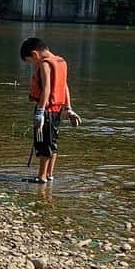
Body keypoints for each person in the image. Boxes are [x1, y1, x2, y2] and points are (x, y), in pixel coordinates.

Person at [20, 36, 81, 184]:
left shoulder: (45, 64)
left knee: (43, 144)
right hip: (57, 110)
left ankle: (41, 177)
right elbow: (64, 86)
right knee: (52, 143)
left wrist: (40, 113)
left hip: (46, 111)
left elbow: (46, 90)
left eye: (31, 62)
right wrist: (68, 108)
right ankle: (49, 174)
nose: (33, 65)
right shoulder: (61, 62)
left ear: (35, 54)